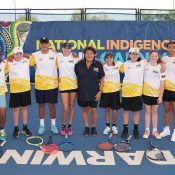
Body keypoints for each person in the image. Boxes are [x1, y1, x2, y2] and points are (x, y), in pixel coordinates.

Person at [30, 37, 59, 135]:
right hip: (39, 86)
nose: (44, 45)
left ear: (48, 44)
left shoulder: (55, 55)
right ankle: (42, 125)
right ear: (40, 45)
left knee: (52, 105)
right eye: (42, 43)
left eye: (46, 43)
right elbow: (25, 59)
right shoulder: (35, 55)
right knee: (41, 105)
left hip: (52, 85)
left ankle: (53, 125)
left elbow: (65, 60)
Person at [75, 46, 104, 136]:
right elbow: (76, 76)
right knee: (84, 109)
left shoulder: (98, 65)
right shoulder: (78, 65)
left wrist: (100, 91)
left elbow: (102, 79)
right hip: (82, 92)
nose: (89, 55)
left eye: (91, 53)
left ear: (94, 54)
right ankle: (87, 127)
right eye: (87, 53)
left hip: (94, 92)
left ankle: (93, 127)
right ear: (84, 54)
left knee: (93, 110)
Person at [120, 47, 147, 139]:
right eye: (133, 54)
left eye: (136, 54)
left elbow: (156, 61)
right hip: (126, 93)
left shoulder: (143, 63)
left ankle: (136, 129)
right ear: (129, 55)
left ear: (138, 55)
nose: (134, 55)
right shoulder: (124, 64)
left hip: (137, 93)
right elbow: (111, 65)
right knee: (126, 111)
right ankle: (125, 129)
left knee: (136, 112)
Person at [6, 47, 32, 138]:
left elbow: (33, 57)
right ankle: (16, 128)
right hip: (15, 90)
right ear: (13, 55)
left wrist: (24, 54)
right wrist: (9, 57)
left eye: (20, 53)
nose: (18, 56)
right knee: (16, 109)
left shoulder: (26, 60)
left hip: (25, 89)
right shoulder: (9, 62)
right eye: (16, 54)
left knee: (25, 108)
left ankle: (25, 127)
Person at [142, 50, 165, 139]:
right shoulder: (145, 65)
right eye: (152, 56)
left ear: (158, 57)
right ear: (149, 56)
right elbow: (137, 58)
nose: (154, 57)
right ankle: (147, 130)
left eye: (156, 56)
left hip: (156, 94)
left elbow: (162, 83)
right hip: (146, 93)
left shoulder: (161, 68)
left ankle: (154, 130)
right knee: (147, 112)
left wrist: (160, 96)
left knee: (155, 112)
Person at [57, 42, 79, 136]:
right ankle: (63, 126)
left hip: (73, 85)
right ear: (62, 49)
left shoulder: (75, 57)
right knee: (65, 109)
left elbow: (85, 63)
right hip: (63, 86)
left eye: (68, 48)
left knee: (71, 106)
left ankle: (69, 126)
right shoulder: (57, 56)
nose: (66, 49)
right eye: (65, 48)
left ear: (71, 49)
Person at [99, 52, 122, 135]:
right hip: (105, 91)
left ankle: (114, 126)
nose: (109, 59)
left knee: (115, 110)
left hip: (115, 91)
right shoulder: (102, 66)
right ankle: (108, 126)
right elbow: (95, 62)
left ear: (113, 58)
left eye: (111, 57)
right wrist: (102, 63)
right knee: (107, 110)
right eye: (107, 58)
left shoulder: (118, 65)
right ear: (105, 59)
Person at [160, 41, 175, 142]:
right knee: (167, 110)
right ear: (167, 49)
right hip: (165, 89)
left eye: (173, 47)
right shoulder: (163, 59)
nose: (171, 49)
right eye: (169, 47)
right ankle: (166, 129)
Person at [0, 58, 7, 141]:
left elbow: (11, 57)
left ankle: (1, 130)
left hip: (1, 93)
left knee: (2, 113)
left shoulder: (4, 63)